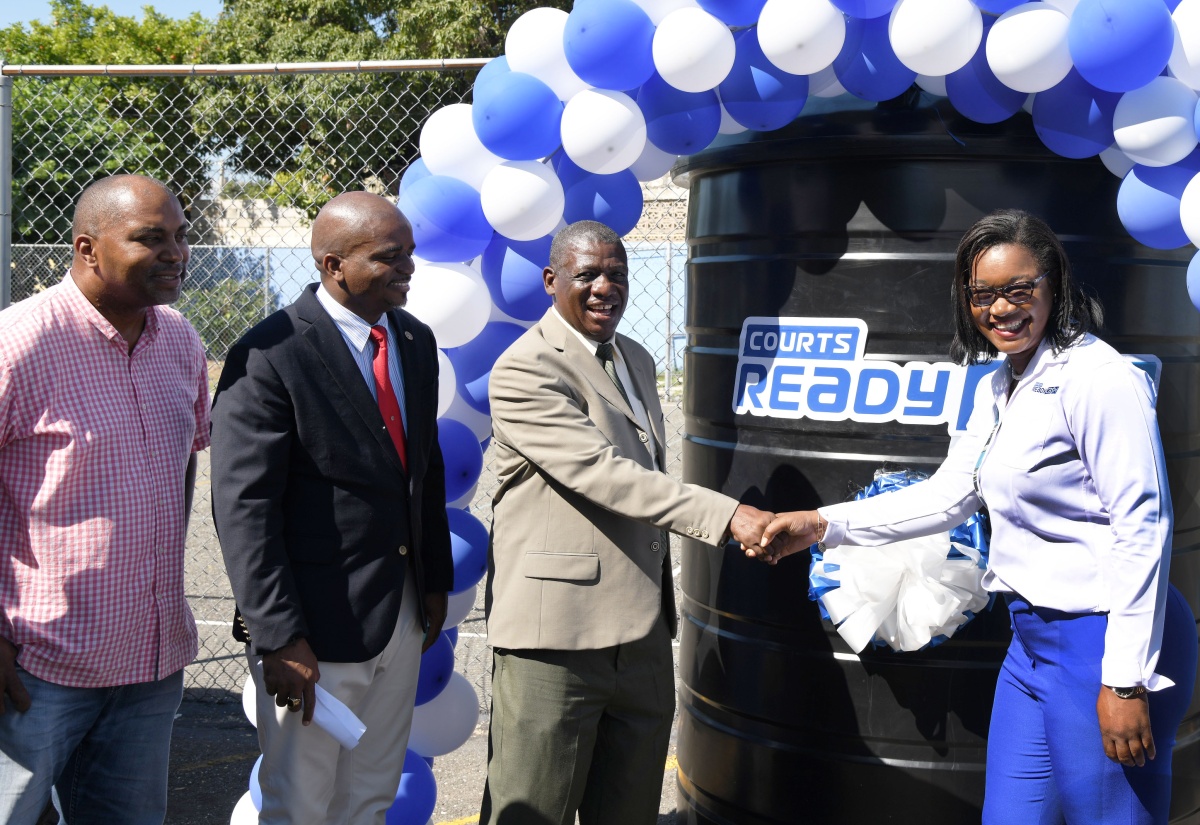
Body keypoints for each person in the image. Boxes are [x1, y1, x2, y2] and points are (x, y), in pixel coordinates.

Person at [751, 209, 1198, 824]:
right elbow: (949, 496)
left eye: (1020, 288)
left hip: (1103, 638)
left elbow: (1142, 527)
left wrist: (1124, 680)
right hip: (1031, 644)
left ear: (1055, 285)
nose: (1002, 308)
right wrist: (823, 524)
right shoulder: (998, 384)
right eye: (984, 293)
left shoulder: (1099, 379)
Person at [480, 220, 775, 825]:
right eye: (587, 274)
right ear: (550, 279)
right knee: (534, 810)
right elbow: (605, 474)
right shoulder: (525, 369)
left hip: (639, 632)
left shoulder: (634, 358)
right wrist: (728, 517)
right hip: (555, 640)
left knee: (629, 810)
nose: (603, 288)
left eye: (616, 274)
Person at [210, 191, 452, 825]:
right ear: (332, 263)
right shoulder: (269, 355)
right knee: (301, 804)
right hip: (313, 632)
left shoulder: (414, 341)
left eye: (411, 254)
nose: (408, 268)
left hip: (397, 614)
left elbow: (421, 472)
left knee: (371, 797)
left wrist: (431, 587)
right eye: (389, 256)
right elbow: (244, 510)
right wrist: (279, 636)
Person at [0, 175, 209, 824]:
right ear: (87, 248)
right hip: (36, 668)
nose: (176, 252)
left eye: (180, 236)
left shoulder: (180, 341)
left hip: (150, 664)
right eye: (151, 238)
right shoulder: (19, 343)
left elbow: (181, 468)